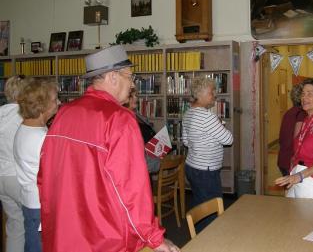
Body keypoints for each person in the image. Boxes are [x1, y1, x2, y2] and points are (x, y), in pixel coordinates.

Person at [37, 45, 179, 252]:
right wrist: (154, 238)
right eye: (130, 77)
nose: (132, 85)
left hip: (63, 234)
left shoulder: (63, 114)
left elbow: (44, 177)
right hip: (105, 237)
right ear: (113, 77)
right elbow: (131, 189)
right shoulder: (119, 119)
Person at [14, 77, 59, 252]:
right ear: (42, 106)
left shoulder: (24, 128)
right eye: (55, 100)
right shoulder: (42, 138)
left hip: (29, 199)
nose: (59, 103)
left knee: (32, 240)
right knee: (39, 245)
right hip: (41, 203)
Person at [182, 77, 233, 228]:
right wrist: (218, 125)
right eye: (211, 92)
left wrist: (207, 137)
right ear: (201, 94)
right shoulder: (208, 117)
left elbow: (186, 141)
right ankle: (210, 242)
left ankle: (198, 238)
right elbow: (228, 139)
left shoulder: (188, 114)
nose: (214, 95)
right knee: (212, 210)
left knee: (200, 205)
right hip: (206, 171)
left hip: (192, 167)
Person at [0, 76, 26, 252]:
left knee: (15, 226)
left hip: (1, 176)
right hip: (18, 177)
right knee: (35, 224)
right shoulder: (24, 116)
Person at [125, 87, 160, 173]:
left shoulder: (137, 114)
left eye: (136, 95)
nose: (136, 98)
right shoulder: (124, 118)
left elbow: (149, 131)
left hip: (153, 154)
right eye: (132, 96)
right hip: (142, 162)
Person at [277, 83, 307, 176]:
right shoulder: (301, 114)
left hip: (282, 158)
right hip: (290, 160)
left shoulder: (289, 112)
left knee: (289, 189)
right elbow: (297, 140)